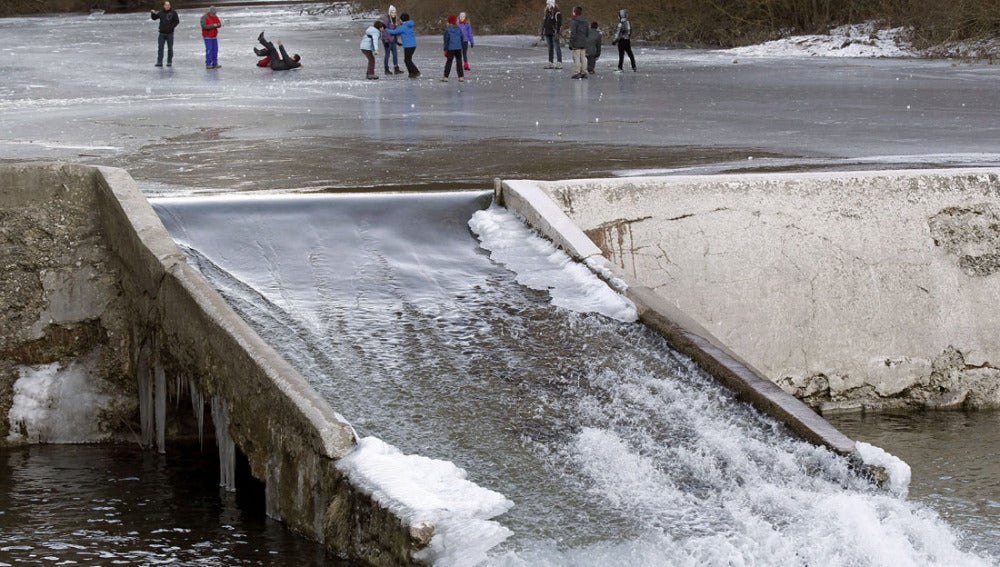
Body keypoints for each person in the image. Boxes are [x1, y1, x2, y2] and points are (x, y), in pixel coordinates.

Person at [386, 12, 419, 78]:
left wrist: (385, 29)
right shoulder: (409, 25)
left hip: (408, 46)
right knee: (408, 59)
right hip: (412, 45)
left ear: (403, 20)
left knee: (407, 60)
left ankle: (415, 71)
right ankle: (411, 73)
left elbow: (394, 32)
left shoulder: (404, 27)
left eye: (400, 19)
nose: (399, 21)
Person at [150, 1, 179, 67]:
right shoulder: (161, 12)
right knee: (160, 48)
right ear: (164, 6)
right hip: (162, 33)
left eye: (169, 5)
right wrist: (152, 13)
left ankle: (169, 62)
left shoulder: (173, 12)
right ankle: (159, 62)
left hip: (170, 33)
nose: (168, 6)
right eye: (166, 5)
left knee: (170, 48)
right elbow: (154, 18)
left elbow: (177, 21)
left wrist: (171, 27)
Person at [441, 14, 464, 82]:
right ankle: (461, 76)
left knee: (449, 62)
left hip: (450, 48)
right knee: (459, 62)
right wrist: (461, 46)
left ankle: (446, 76)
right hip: (458, 48)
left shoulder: (447, 30)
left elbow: (446, 40)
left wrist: (445, 49)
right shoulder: (458, 29)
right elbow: (461, 38)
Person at [381, 5, 402, 75]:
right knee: (387, 54)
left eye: (395, 12)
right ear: (390, 12)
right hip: (386, 40)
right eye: (392, 12)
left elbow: (395, 30)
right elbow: (383, 30)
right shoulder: (386, 19)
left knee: (395, 54)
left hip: (393, 40)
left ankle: (396, 68)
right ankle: (386, 69)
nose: (394, 13)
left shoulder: (395, 20)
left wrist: (396, 41)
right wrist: (386, 40)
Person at [568, 6, 588, 79]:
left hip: (576, 42)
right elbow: (587, 33)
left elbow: (573, 33)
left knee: (576, 57)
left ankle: (577, 72)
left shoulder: (574, 21)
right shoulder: (585, 21)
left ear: (575, 12)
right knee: (583, 57)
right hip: (583, 42)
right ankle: (584, 72)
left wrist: (571, 43)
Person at [541, 1, 562, 69]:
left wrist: (557, 32)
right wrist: (542, 32)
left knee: (557, 48)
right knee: (550, 48)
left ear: (552, 4)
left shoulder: (557, 13)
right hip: (547, 32)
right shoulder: (547, 13)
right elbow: (544, 23)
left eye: (548, 4)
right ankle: (550, 62)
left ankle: (559, 62)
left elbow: (559, 24)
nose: (547, 5)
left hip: (554, 33)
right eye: (547, 4)